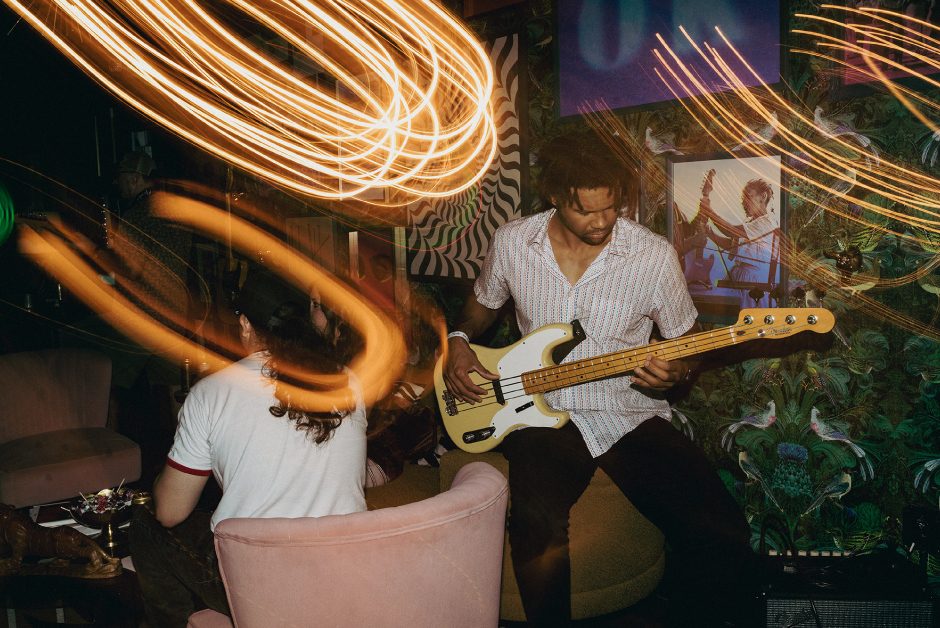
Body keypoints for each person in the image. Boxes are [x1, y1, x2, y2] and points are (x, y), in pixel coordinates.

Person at [443, 132, 760, 628]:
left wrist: (674, 372)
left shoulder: (651, 256)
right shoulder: (513, 242)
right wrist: (459, 339)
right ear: (554, 197)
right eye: (586, 211)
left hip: (626, 409)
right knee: (536, 525)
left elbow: (684, 341)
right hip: (536, 411)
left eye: (611, 208)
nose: (601, 222)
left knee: (721, 529)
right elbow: (483, 303)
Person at [129, 271, 368, 628]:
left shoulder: (211, 393)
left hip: (261, 584)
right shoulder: (349, 381)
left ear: (244, 325)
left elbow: (170, 512)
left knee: (147, 523)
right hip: (345, 569)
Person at [700, 175, 779, 307]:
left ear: (763, 197)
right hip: (738, 274)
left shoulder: (767, 222)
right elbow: (730, 245)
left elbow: (730, 231)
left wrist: (709, 211)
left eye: (748, 197)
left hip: (749, 280)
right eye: (742, 199)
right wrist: (711, 234)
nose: (743, 203)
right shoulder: (750, 223)